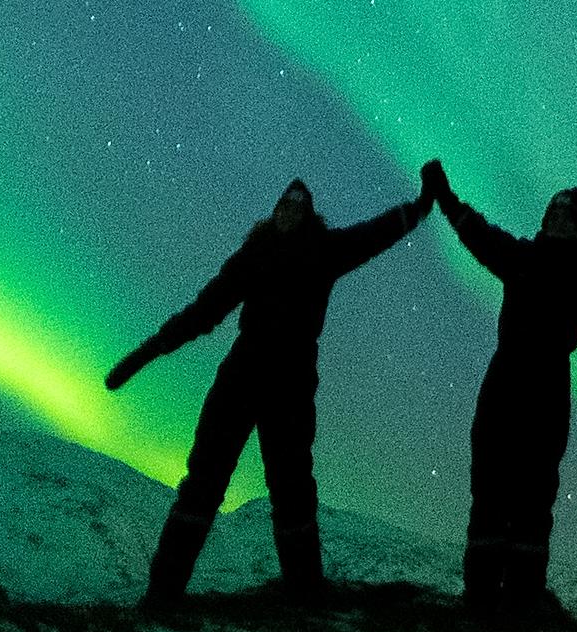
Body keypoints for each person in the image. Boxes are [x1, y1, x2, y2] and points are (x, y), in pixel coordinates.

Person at [106, 166, 437, 606]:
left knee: (292, 487)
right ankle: (163, 594)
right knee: (204, 480)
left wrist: (420, 206)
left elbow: (374, 234)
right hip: (241, 377)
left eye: (298, 205)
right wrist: (148, 352)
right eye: (284, 203)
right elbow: (205, 310)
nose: (289, 210)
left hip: (291, 385)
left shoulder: (325, 250)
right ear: (275, 210)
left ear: (308, 214)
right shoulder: (254, 255)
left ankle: (305, 592)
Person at [428, 163, 577, 616]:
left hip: (548, 387)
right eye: (553, 214)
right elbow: (478, 235)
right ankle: (481, 594)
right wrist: (445, 196)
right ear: (545, 219)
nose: (558, 221)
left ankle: (523, 596)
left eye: (566, 216)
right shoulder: (523, 257)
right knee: (489, 485)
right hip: (505, 381)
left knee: (534, 493)